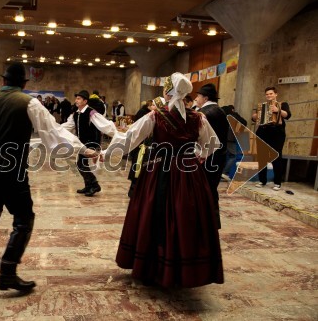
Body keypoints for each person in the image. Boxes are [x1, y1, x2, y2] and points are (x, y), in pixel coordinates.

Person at [0, 63, 98, 292]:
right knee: (24, 219)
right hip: (11, 170)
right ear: (24, 84)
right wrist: (84, 150)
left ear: (4, 81)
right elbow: (54, 134)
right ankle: (7, 272)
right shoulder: (29, 103)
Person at [105, 72, 224, 288]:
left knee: (153, 214)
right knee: (186, 216)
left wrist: (104, 154)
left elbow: (129, 140)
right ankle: (185, 268)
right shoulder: (198, 118)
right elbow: (212, 145)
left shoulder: (155, 116)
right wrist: (197, 156)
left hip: (158, 171)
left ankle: (152, 266)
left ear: (167, 93)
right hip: (189, 175)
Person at [61, 90, 117, 196]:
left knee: (81, 164)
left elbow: (103, 124)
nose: (76, 100)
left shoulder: (91, 112)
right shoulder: (76, 114)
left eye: (78, 98)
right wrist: (56, 129)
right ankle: (89, 186)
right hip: (82, 143)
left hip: (91, 142)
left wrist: (115, 133)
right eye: (76, 98)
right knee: (82, 164)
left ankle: (94, 185)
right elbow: (68, 126)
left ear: (85, 101)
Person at [195, 83, 229, 228]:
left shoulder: (205, 113)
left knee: (204, 189)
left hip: (209, 156)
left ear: (205, 97)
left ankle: (206, 222)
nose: (196, 99)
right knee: (210, 189)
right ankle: (212, 222)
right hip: (219, 155)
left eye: (198, 96)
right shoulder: (219, 110)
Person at [252, 86, 291, 191]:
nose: (269, 95)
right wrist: (255, 116)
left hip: (277, 133)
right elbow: (254, 118)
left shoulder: (283, 104)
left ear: (276, 94)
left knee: (276, 157)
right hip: (263, 132)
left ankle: (277, 182)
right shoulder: (262, 105)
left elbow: (287, 115)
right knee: (262, 157)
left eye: (271, 93)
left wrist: (278, 110)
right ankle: (262, 180)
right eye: (267, 94)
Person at [127, 99, 155, 197]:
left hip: (147, 147)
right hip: (143, 146)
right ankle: (134, 191)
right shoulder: (146, 115)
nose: (153, 107)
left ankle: (137, 191)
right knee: (138, 168)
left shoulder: (153, 115)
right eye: (153, 105)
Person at [221, 105, 247, 180]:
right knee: (233, 156)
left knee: (225, 156)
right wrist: (236, 114)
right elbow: (244, 122)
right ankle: (224, 172)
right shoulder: (233, 115)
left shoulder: (223, 113)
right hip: (230, 138)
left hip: (223, 138)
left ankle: (222, 173)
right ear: (232, 109)